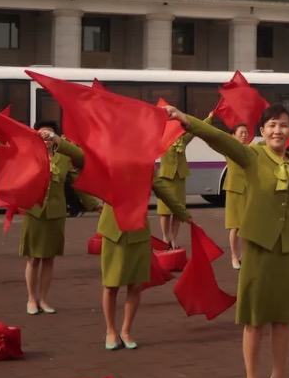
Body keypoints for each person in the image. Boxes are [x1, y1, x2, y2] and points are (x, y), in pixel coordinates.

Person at [167, 102, 289, 378]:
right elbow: (218, 139)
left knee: (283, 321)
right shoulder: (251, 155)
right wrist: (187, 120)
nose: (278, 130)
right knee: (255, 321)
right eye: (272, 125)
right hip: (260, 248)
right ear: (262, 131)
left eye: (283, 125)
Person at [87, 155, 191, 351]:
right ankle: (111, 330)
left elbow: (164, 191)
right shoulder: (108, 163)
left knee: (135, 285)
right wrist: (57, 139)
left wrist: (184, 214)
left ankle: (126, 330)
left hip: (138, 233)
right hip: (114, 232)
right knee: (111, 284)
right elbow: (80, 157)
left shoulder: (147, 167)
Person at [25, 121, 88, 315]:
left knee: (49, 259)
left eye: (50, 135)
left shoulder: (64, 159)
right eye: (43, 135)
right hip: (35, 212)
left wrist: (95, 203)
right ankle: (31, 299)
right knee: (34, 258)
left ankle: (43, 299)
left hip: (56, 214)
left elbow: (78, 179)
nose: (46, 139)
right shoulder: (30, 156)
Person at [156, 118, 201, 250]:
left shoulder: (183, 140)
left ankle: (174, 239)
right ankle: (165, 237)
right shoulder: (161, 140)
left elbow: (195, 130)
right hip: (166, 178)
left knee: (177, 212)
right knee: (165, 212)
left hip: (179, 179)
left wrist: (209, 119)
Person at [222, 123, 252, 270]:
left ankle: (244, 256)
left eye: (246, 132)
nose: (244, 135)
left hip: (248, 190)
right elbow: (217, 138)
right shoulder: (230, 148)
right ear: (233, 134)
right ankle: (234, 256)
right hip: (234, 190)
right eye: (241, 132)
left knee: (247, 226)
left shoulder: (250, 150)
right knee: (235, 226)